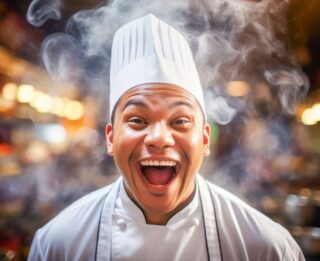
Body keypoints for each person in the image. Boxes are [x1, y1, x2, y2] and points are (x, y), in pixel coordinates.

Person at [28, 14, 304, 261]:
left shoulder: (267, 249)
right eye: (137, 120)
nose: (159, 138)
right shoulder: (57, 245)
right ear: (110, 138)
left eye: (180, 121)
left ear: (205, 139)